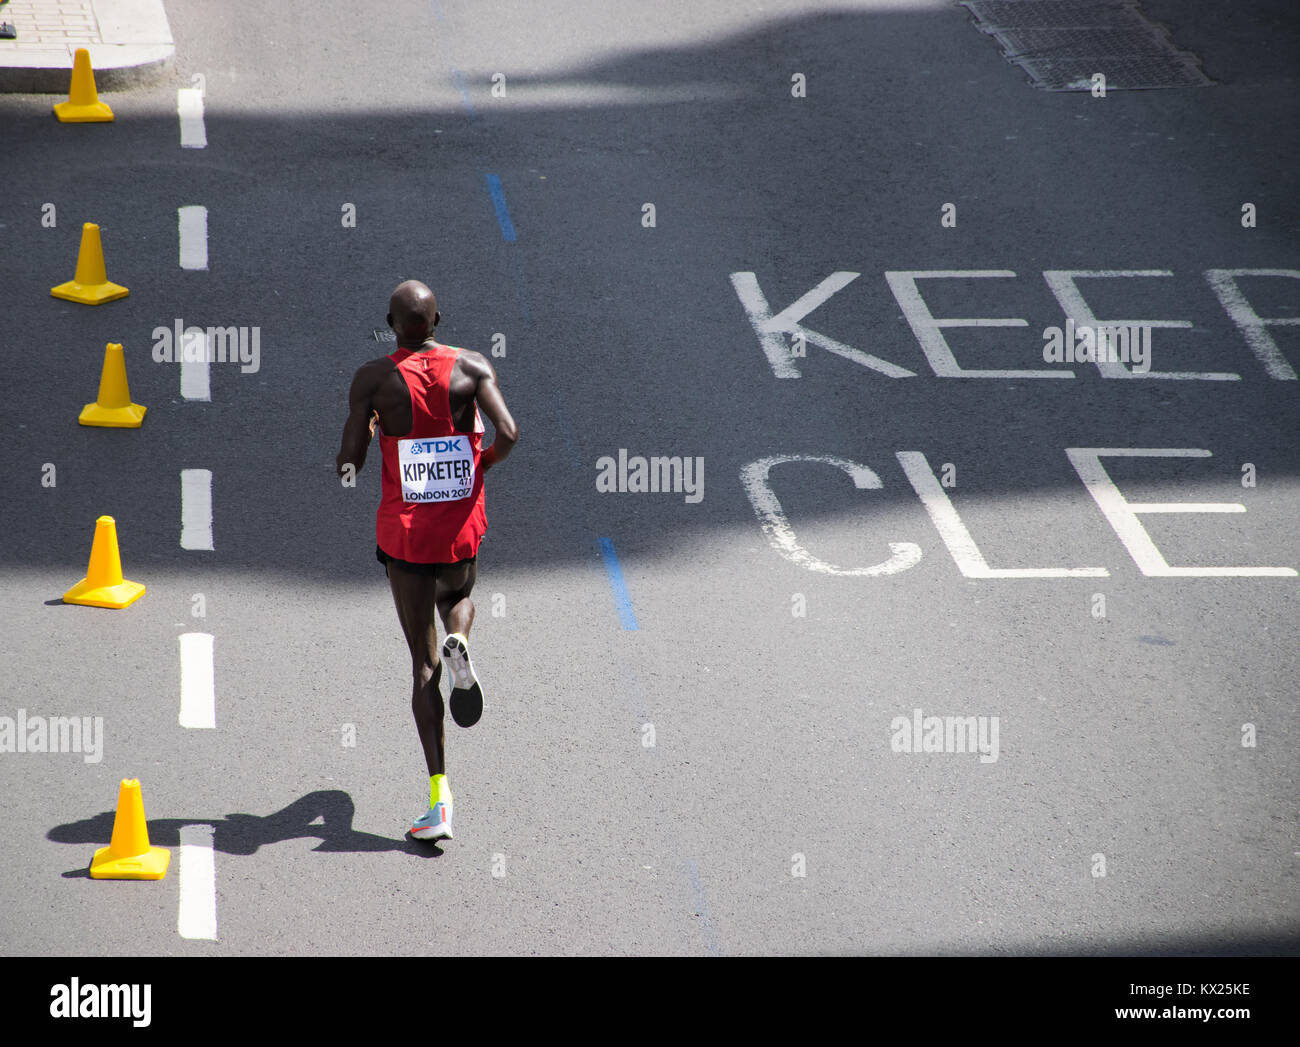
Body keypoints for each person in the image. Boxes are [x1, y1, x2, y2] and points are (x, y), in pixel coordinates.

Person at [336, 280, 519, 841]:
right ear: (439, 317)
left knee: (422, 665)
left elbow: (349, 463)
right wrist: (476, 464)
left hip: (406, 537)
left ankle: (439, 801)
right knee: (460, 597)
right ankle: (461, 640)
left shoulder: (373, 378)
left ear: (391, 324)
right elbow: (509, 433)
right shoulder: (472, 366)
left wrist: (368, 430)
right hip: (460, 525)